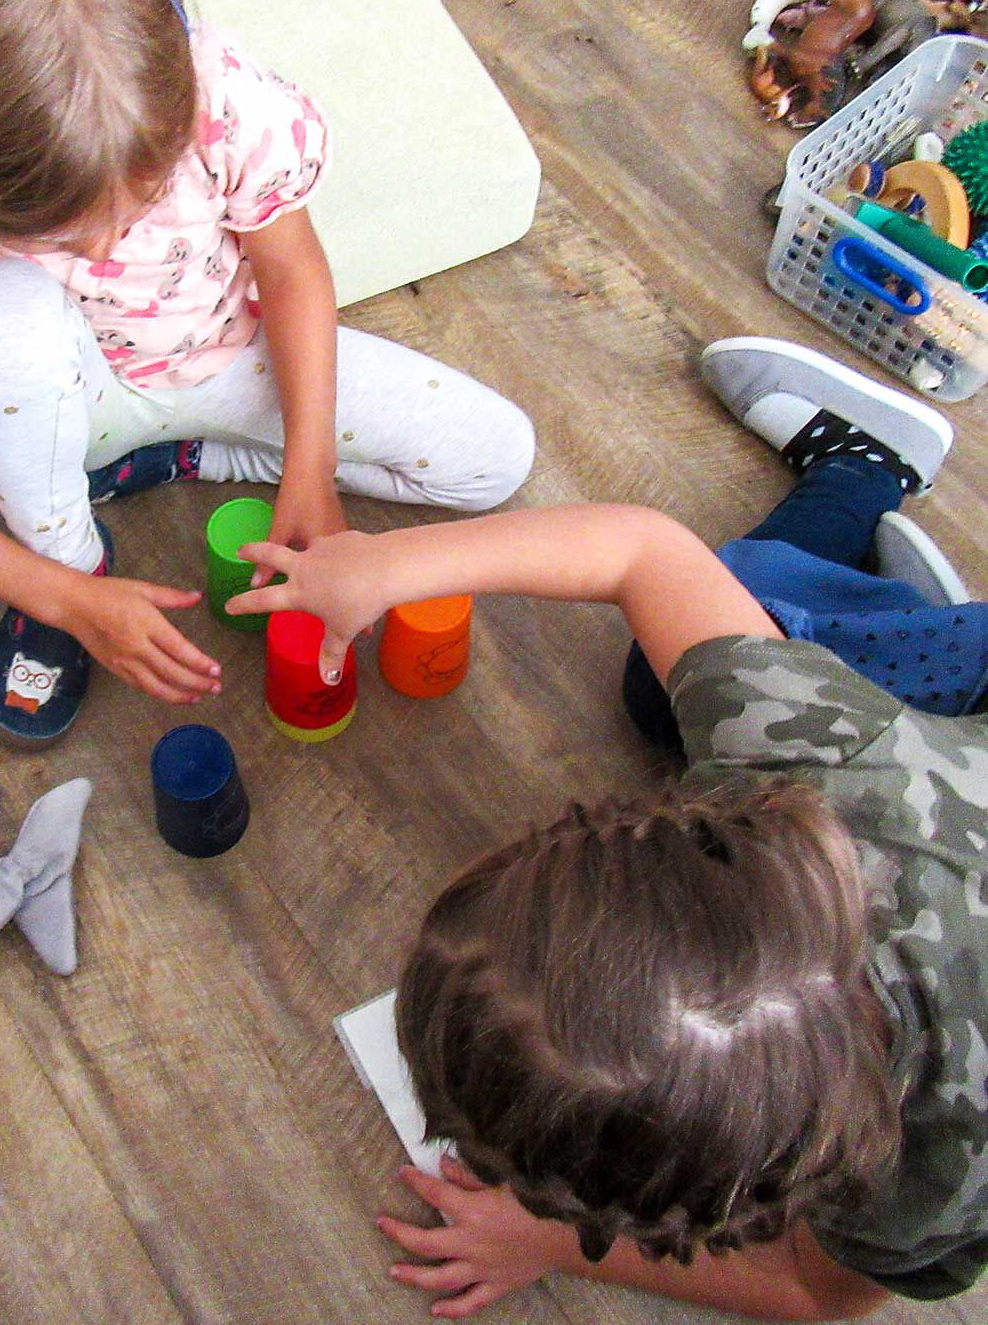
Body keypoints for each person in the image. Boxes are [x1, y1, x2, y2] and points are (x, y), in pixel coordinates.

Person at [227, 342, 986, 1319]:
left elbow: (818, 1291)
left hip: (934, 765)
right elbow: (642, 551)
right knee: (674, 659)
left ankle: (883, 557)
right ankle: (889, 552)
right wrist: (387, 564)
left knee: (702, 646)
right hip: (932, 755)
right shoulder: (818, 763)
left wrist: (551, 1243)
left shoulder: (944, 1167)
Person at [0, 0, 535, 746]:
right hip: (70, 412)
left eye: (141, 197)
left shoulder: (221, 97)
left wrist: (309, 465)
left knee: (495, 461)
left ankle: (189, 456)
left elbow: (292, 270)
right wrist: (63, 596)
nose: (109, 243)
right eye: (57, 231)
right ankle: (66, 550)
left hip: (229, 361)